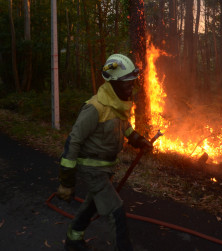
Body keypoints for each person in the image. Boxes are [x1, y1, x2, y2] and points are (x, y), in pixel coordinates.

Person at [57, 53, 153, 251]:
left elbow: (125, 128)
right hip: (93, 169)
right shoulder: (95, 108)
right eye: (127, 83)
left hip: (106, 168)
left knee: (93, 204)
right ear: (113, 83)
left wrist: (139, 140)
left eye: (132, 82)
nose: (131, 87)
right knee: (116, 210)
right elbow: (73, 141)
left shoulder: (118, 106)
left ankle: (73, 238)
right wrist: (67, 183)